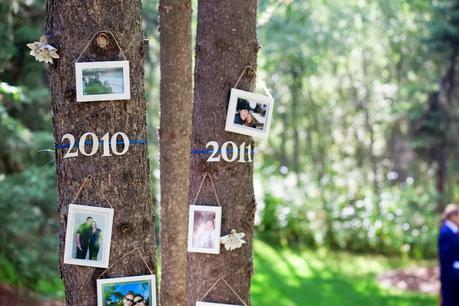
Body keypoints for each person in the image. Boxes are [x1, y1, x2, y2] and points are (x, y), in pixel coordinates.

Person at [439, 203, 459, 306]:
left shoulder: (454, 231)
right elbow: (446, 261)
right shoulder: (446, 233)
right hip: (452, 280)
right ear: (453, 216)